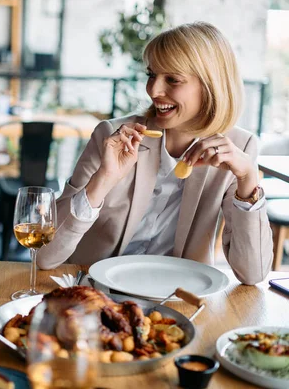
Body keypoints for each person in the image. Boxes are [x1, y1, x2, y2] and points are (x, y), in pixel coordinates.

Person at [36, 22, 273, 285]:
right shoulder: (112, 136)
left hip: (178, 297)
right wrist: (103, 179)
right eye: (151, 75)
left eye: (172, 79)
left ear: (210, 85)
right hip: (97, 291)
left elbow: (253, 275)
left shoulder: (240, 148)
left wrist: (248, 180)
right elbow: (44, 257)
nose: (153, 90)